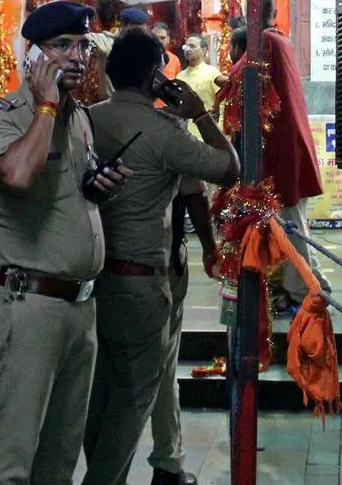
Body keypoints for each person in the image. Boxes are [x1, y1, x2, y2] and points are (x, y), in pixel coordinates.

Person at [0, 0, 131, 485]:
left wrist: (97, 185)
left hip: (80, 309)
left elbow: (66, 188)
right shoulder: (2, 117)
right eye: (61, 46)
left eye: (82, 45)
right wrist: (44, 106)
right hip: (30, 306)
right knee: (12, 463)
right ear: (32, 56)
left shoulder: (78, 117)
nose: (76, 56)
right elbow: (19, 174)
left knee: (59, 460)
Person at [82, 28, 239, 485]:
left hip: (91, 279)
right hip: (140, 282)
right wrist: (200, 113)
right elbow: (229, 168)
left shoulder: (88, 120)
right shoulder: (164, 131)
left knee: (101, 394)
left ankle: (109, 473)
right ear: (155, 76)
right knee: (134, 397)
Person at [219, 0, 330, 308]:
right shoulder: (283, 41)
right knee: (292, 225)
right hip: (287, 146)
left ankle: (307, 290)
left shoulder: (265, 42)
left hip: (281, 152)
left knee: (290, 227)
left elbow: (235, 77)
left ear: (254, 13)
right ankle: (314, 282)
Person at [148, 178, 217, 485]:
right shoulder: (165, 130)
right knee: (161, 369)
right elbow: (200, 186)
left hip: (103, 270)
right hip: (158, 268)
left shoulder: (91, 129)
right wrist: (210, 249)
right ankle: (167, 461)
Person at [177, 34, 222, 118]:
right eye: (186, 46)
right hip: (183, 127)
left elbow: (221, 102)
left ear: (204, 50)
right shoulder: (180, 76)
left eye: (192, 46)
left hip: (206, 127)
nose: (187, 49)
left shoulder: (213, 73)